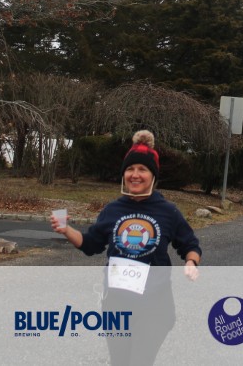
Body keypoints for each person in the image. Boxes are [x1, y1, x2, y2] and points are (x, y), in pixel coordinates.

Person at [51, 130, 201, 366]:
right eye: (130, 169)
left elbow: (190, 244)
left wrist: (191, 263)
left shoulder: (168, 211)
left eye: (142, 169)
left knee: (139, 361)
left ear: (153, 175)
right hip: (117, 303)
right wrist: (66, 230)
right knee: (120, 361)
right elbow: (91, 244)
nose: (135, 174)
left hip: (154, 305)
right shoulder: (113, 210)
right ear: (123, 174)